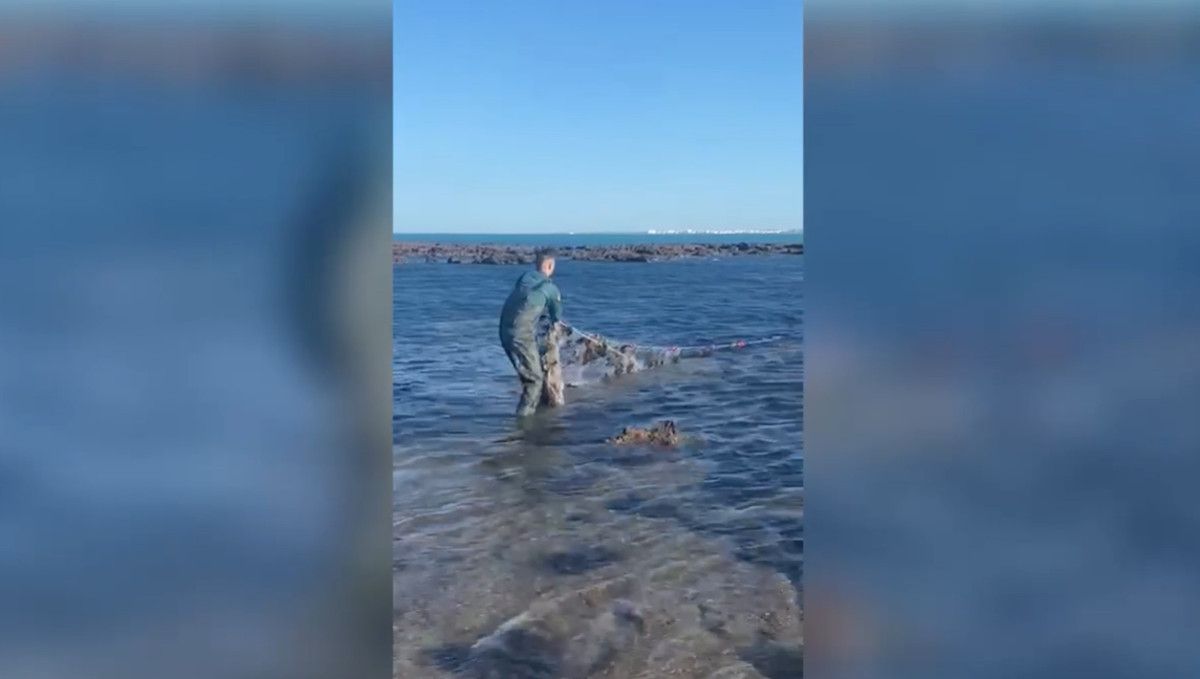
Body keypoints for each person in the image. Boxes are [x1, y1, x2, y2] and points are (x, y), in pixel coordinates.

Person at [498, 248, 564, 418]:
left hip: (504, 331)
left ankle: (538, 405)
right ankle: (524, 424)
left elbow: (527, 301)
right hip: (521, 336)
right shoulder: (551, 289)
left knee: (532, 367)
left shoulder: (525, 278)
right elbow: (556, 317)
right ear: (550, 266)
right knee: (534, 380)